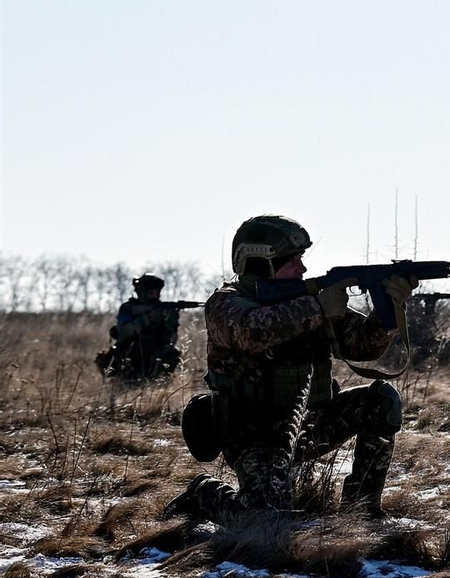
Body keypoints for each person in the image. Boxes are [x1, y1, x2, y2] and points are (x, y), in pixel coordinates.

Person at [165, 215, 416, 525]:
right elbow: (251, 332)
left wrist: (389, 310)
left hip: (310, 424)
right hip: (254, 435)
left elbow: (363, 346)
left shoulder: (306, 298)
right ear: (260, 263)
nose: (303, 268)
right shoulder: (225, 303)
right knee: (264, 525)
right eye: (293, 260)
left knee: (381, 401)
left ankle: (360, 512)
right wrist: (319, 308)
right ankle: (204, 494)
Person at [95, 274, 185, 378]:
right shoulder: (128, 308)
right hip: (131, 353)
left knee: (173, 353)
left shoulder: (163, 310)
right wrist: (148, 319)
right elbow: (124, 333)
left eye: (157, 292)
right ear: (142, 293)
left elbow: (171, 340)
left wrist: (171, 322)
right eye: (151, 293)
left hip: (155, 353)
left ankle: (159, 382)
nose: (155, 296)